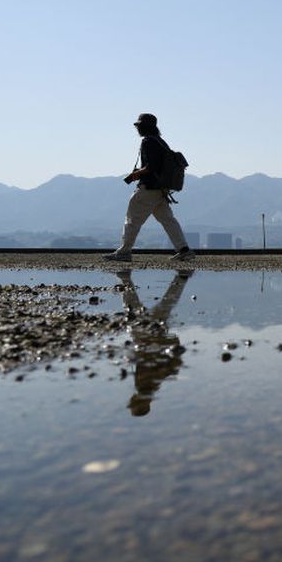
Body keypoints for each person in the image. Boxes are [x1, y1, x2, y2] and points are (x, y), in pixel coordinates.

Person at [103, 113, 194, 262]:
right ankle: (184, 249)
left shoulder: (148, 142)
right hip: (161, 190)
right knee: (168, 220)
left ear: (144, 127)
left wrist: (133, 175)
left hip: (149, 188)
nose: (137, 129)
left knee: (132, 219)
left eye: (139, 126)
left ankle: (124, 252)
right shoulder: (160, 142)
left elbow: (150, 167)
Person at [115, 269, 191, 416]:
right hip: (148, 337)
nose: (131, 399)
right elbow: (147, 361)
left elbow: (146, 361)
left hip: (150, 338)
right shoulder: (147, 386)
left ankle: (180, 280)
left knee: (164, 304)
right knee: (158, 305)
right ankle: (125, 279)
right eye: (133, 402)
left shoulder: (148, 386)